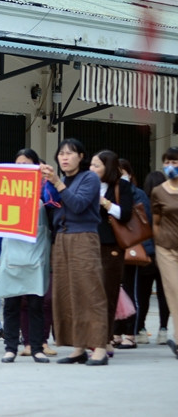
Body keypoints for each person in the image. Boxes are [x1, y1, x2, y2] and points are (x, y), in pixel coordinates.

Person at [41, 138, 109, 366]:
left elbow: (78, 205)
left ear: (81, 156)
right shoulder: (62, 180)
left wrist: (58, 184)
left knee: (90, 293)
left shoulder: (89, 177)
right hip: (61, 238)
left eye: (70, 153)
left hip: (83, 238)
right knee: (67, 294)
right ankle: (78, 347)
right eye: (61, 154)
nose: (65, 157)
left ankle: (99, 347)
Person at [0, 148, 52, 363]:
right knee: (12, 304)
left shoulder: (45, 189)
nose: (23, 168)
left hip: (36, 256)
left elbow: (56, 203)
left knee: (36, 304)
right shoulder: (6, 192)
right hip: (11, 256)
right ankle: (10, 348)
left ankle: (36, 348)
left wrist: (47, 179)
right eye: (19, 164)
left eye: (27, 164)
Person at [89, 149, 133, 354]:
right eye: (91, 165)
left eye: (96, 165)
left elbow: (124, 214)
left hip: (112, 246)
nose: (92, 169)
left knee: (108, 294)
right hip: (89, 244)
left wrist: (104, 202)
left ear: (108, 167)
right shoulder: (89, 184)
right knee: (90, 295)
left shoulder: (121, 186)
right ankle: (95, 338)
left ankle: (105, 339)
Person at [114, 157, 148, 349]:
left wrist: (126, 187)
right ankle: (116, 332)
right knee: (115, 291)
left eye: (122, 172)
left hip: (130, 247)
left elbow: (144, 220)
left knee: (129, 290)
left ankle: (130, 334)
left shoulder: (138, 193)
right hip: (113, 248)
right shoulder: (110, 191)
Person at [150, 147, 178, 359]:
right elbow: (156, 221)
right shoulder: (158, 191)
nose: (171, 166)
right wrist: (159, 242)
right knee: (174, 292)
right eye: (167, 162)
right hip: (166, 248)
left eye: (175, 162)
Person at [142, 170, 171, 345]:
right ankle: (163, 329)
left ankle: (141, 330)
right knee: (164, 294)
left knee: (143, 295)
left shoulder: (141, 202)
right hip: (165, 252)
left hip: (146, 254)